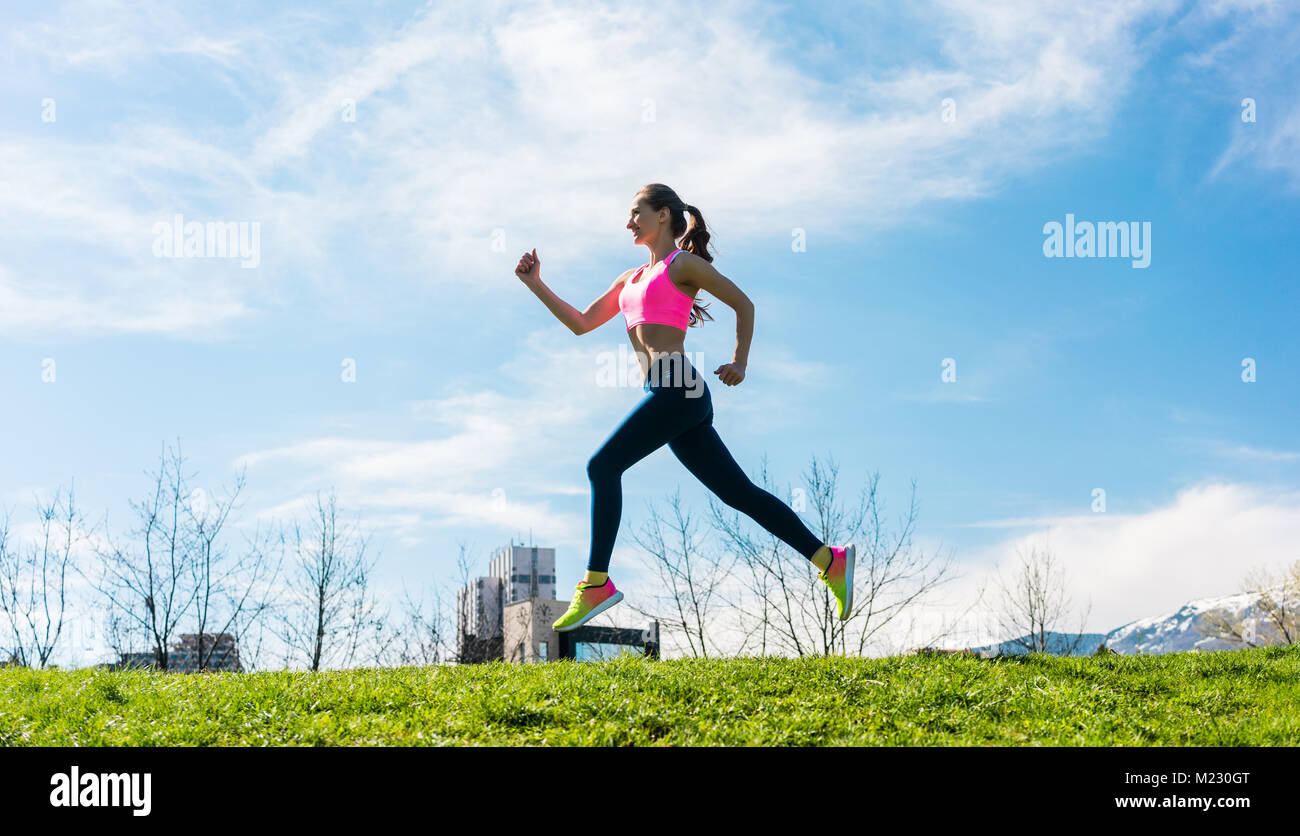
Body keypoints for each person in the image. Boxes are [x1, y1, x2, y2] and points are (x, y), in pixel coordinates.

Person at [515, 183, 854, 635]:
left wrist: (740, 361)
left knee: (602, 466)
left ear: (663, 216)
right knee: (739, 493)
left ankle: (596, 583)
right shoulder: (628, 279)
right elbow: (581, 323)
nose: (628, 221)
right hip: (667, 393)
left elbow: (744, 304)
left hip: (679, 389)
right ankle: (828, 560)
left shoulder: (682, 265)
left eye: (637, 213)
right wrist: (535, 283)